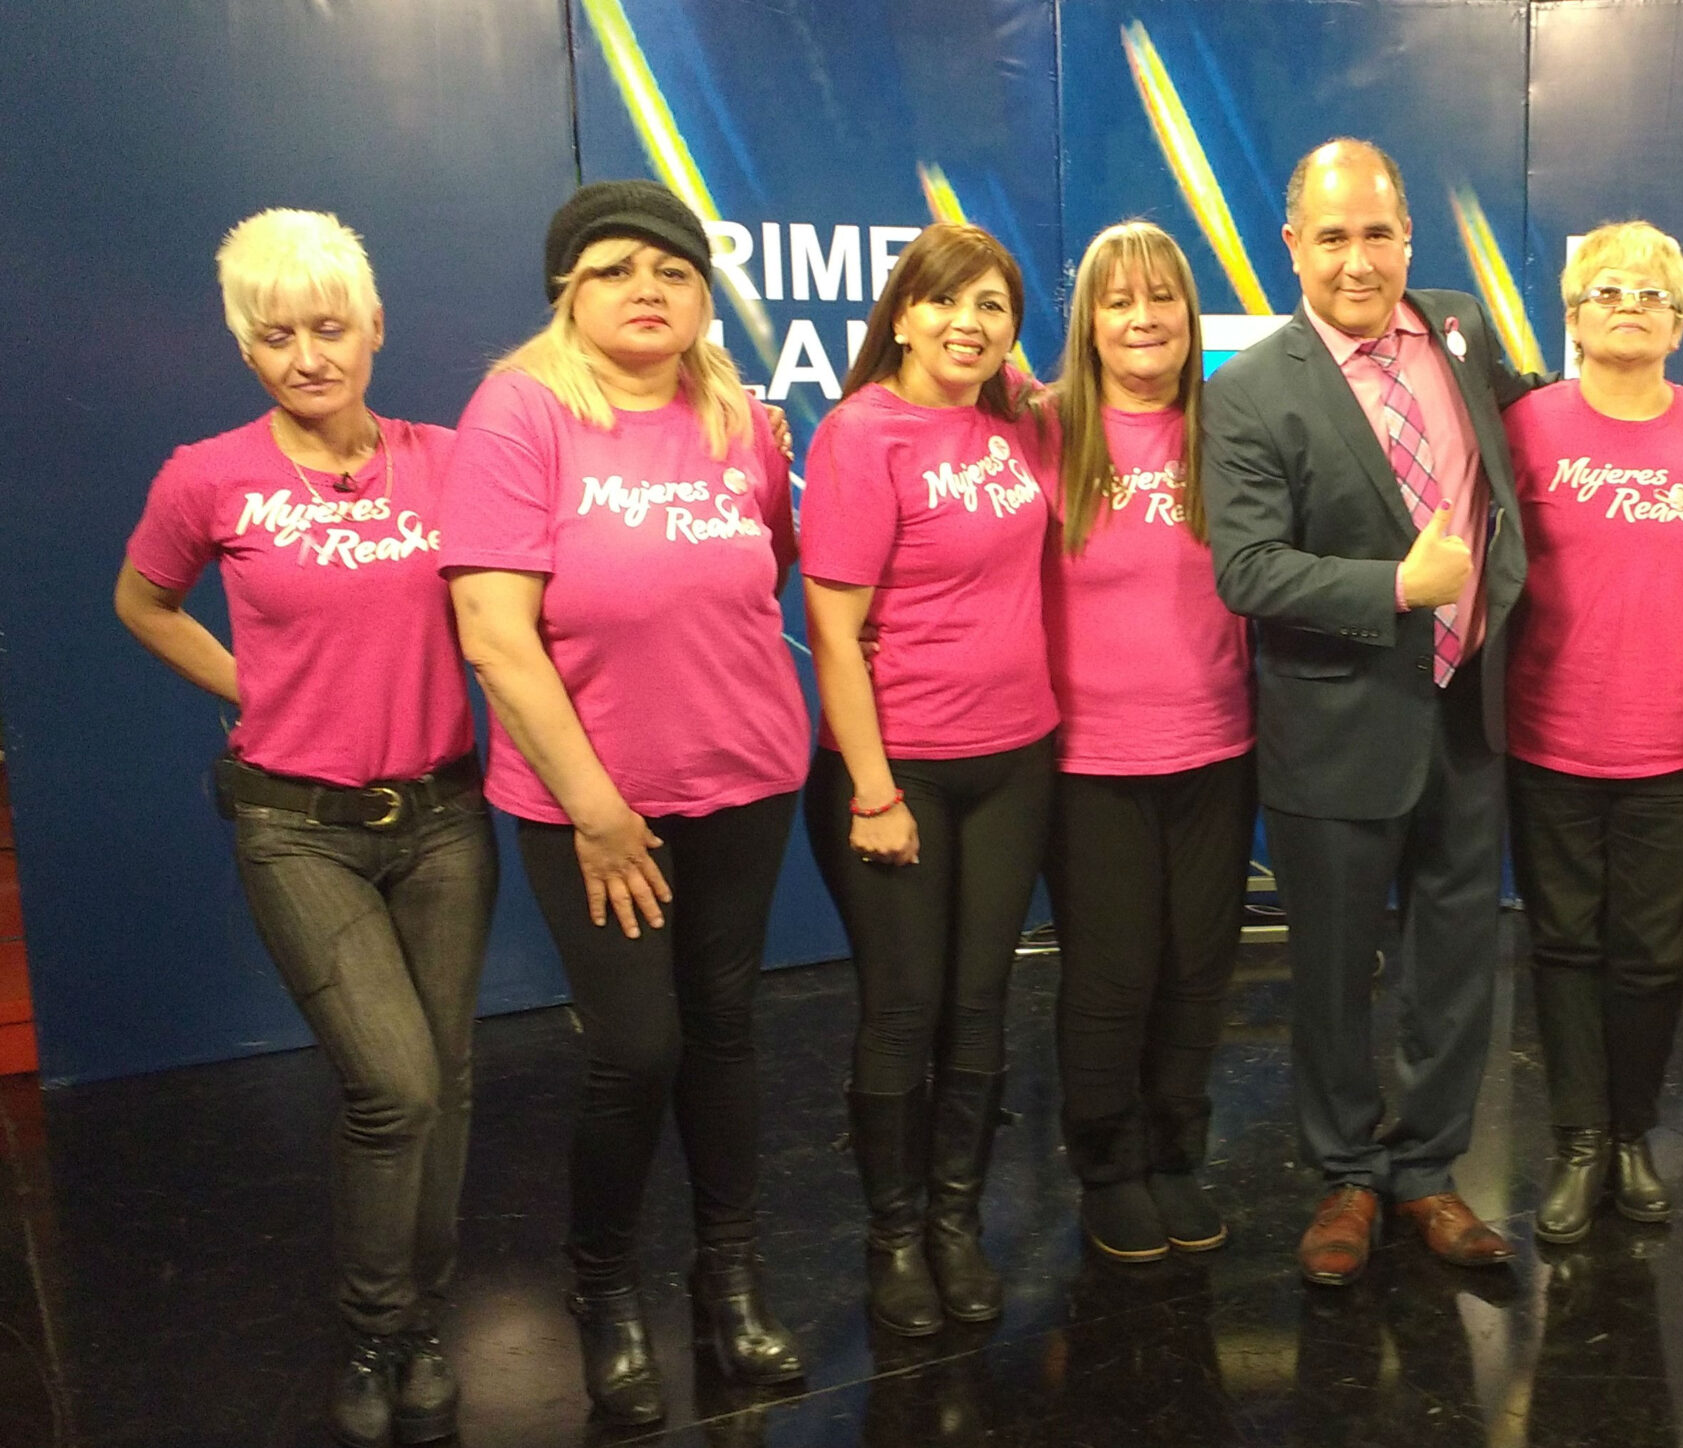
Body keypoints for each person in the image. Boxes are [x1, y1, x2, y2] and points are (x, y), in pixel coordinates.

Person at [115, 208, 493, 1448]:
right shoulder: (206, 474)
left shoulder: (449, 460)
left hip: (444, 818)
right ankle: (376, 1324)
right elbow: (144, 600)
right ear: (246, 348)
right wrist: (253, 686)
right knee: (394, 1085)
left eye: (329, 327)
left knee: (446, 1079)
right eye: (275, 337)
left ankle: (424, 1317)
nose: (307, 356)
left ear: (375, 325)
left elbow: (580, 497)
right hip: (297, 825)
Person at [442, 180, 810, 1425]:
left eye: (672, 270)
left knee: (723, 1028)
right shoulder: (519, 412)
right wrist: (598, 809)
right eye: (613, 267)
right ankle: (602, 1286)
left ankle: (729, 1276)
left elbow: (766, 564)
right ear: (567, 290)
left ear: (703, 295)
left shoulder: (742, 421)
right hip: (589, 804)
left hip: (744, 774)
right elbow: (494, 634)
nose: (645, 288)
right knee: (636, 1047)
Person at [1203, 138, 1539, 1286]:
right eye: (1334, 237)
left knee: (1456, 961)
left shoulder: (1458, 328)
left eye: (1379, 233)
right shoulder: (1249, 390)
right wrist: (1397, 585)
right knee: (1335, 968)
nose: (1359, 260)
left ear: (1408, 237)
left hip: (1466, 713)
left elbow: (1523, 432)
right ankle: (1346, 1170)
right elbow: (1246, 567)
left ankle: (1429, 1168)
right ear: (1291, 246)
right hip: (1335, 725)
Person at [801, 222, 1056, 1336]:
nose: (969, 322)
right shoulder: (862, 433)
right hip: (898, 768)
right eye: (947, 301)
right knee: (903, 1009)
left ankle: (957, 1223)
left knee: (981, 999)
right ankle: (895, 1236)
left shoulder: (1017, 421)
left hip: (1016, 759)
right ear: (902, 314)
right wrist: (872, 790)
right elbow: (833, 627)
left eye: (992, 306)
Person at [1502, 221, 1683, 1244]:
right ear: (1572, 314)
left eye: (1652, 293)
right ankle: (1578, 1139)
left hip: (1680, 742)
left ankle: (1633, 1131)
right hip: (1550, 738)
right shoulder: (1523, 428)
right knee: (1563, 947)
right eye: (1607, 290)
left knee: (1652, 956)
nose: (1629, 305)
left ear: (1681, 324)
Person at [1040, 221, 1255, 1262]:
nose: (1141, 318)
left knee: (1197, 970)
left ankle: (1176, 1156)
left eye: (1161, 297)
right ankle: (1109, 1167)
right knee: (1113, 976)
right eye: (1118, 300)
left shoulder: (1229, 431)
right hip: (1089, 760)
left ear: (1188, 314)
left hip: (1218, 745)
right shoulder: (1041, 430)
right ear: (1089, 320)